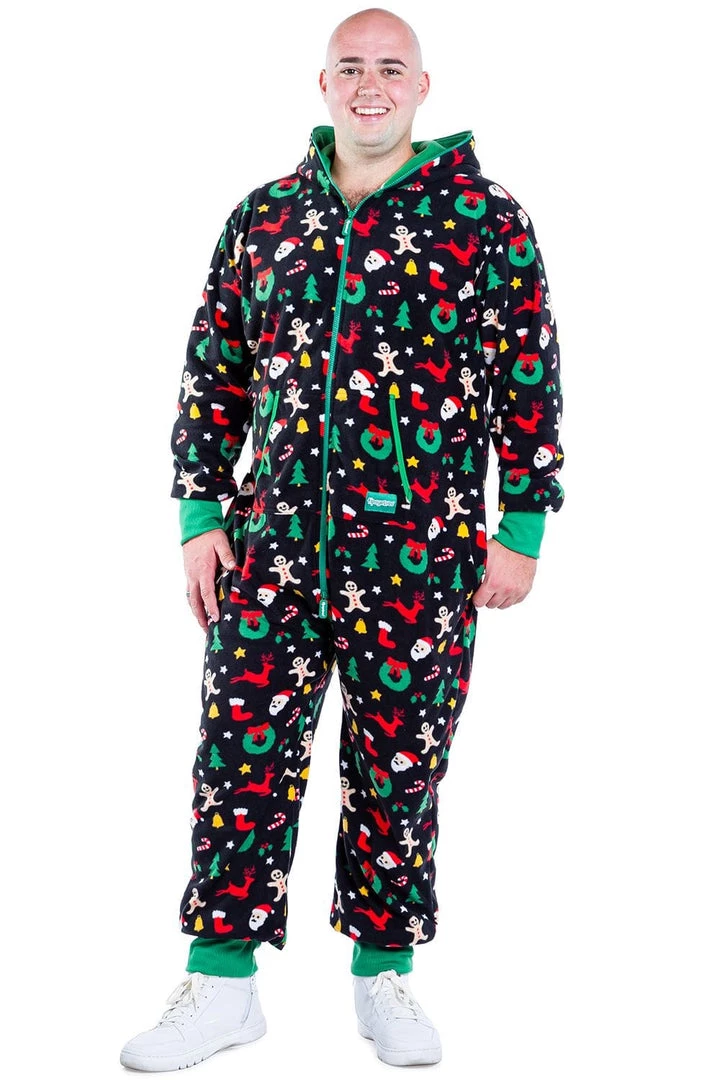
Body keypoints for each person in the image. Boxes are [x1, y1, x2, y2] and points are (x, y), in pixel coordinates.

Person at [120, 6, 564, 1071]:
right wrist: (200, 516)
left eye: (391, 68)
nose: (371, 84)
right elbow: (215, 372)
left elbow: (529, 373)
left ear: (423, 87)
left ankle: (384, 977)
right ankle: (222, 986)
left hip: (421, 553)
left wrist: (522, 525)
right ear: (323, 86)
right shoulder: (264, 217)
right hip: (269, 550)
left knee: (400, 768)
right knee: (237, 759)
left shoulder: (486, 220)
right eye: (351, 67)